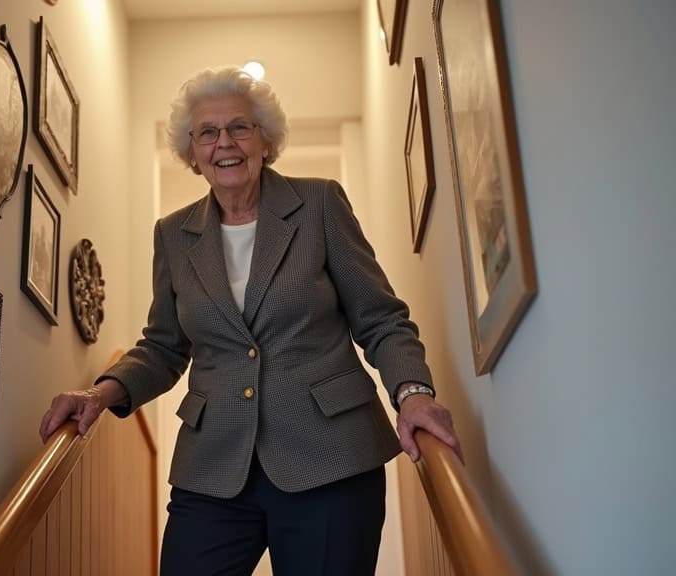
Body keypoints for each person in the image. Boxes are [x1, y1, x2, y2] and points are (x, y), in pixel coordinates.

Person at [39, 67, 462, 575]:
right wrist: (99, 394)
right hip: (214, 465)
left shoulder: (319, 204)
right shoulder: (173, 235)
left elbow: (381, 319)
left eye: (240, 127)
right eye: (208, 132)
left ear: (265, 141)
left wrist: (413, 392)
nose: (225, 143)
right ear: (192, 152)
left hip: (331, 455)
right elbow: (163, 346)